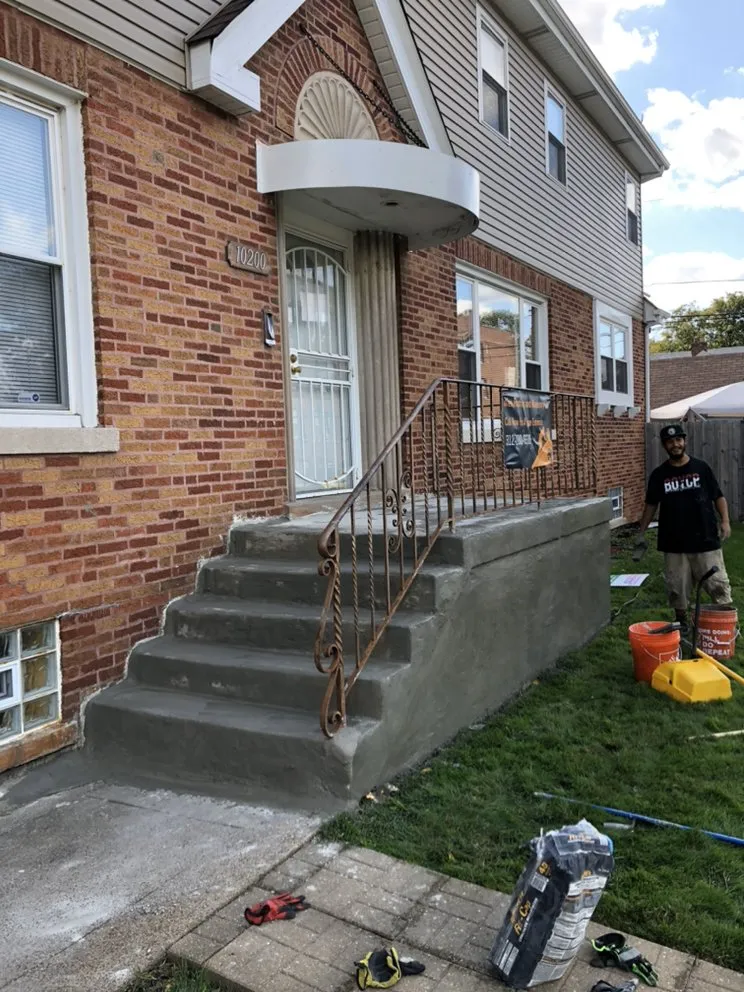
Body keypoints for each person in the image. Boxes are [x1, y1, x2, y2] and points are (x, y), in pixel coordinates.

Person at [636, 423, 733, 631]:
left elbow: (718, 496)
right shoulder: (659, 475)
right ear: (665, 446)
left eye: (679, 440)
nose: (675, 444)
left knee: (717, 584)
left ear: (685, 441)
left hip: (705, 539)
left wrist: (725, 521)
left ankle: (726, 627)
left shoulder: (701, 468)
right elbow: (651, 505)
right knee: (677, 589)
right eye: (670, 441)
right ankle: (683, 624)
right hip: (674, 542)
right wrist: (641, 532)